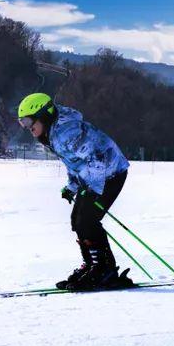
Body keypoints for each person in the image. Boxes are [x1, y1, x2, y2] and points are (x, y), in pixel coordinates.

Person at [16, 92, 133, 291]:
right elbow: (74, 162)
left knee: (87, 220)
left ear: (43, 115)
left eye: (28, 121)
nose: (27, 128)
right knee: (77, 220)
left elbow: (96, 158)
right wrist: (72, 187)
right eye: (22, 123)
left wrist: (94, 189)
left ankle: (104, 269)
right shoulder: (53, 132)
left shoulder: (66, 132)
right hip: (96, 175)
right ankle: (92, 265)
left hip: (111, 173)